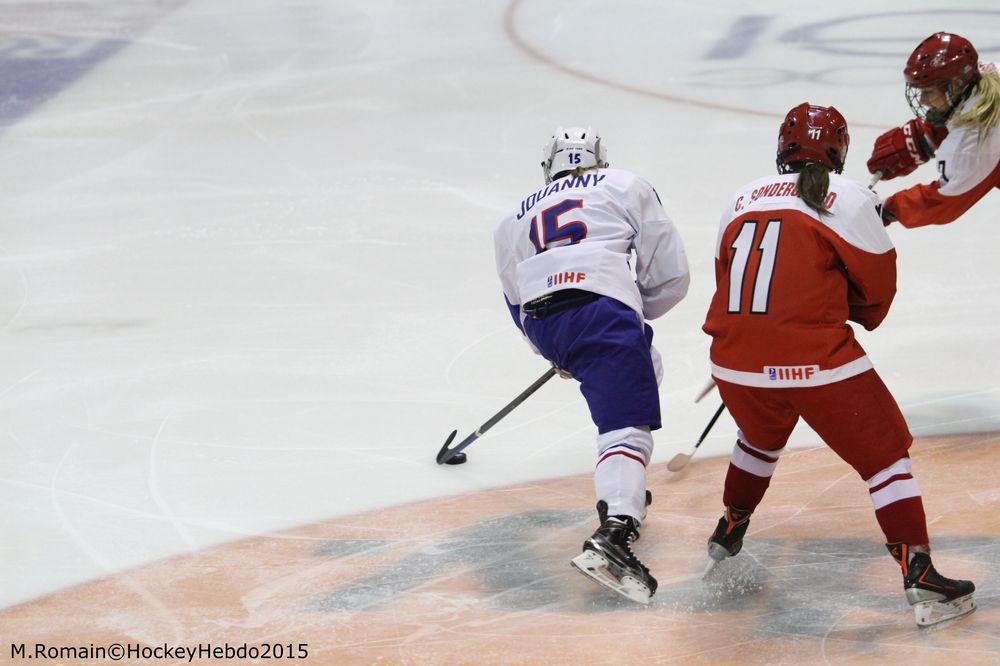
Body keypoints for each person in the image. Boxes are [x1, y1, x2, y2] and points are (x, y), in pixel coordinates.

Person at [701, 103, 975, 626]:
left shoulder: (739, 197)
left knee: (758, 438)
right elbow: (878, 287)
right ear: (839, 150)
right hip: (815, 364)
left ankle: (729, 529)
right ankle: (920, 574)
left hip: (733, 362)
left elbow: (729, 277)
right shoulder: (846, 197)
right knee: (887, 458)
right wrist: (841, 309)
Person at [493, 127, 690, 603]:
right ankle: (615, 533)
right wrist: (620, 308)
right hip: (601, 308)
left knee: (644, 364)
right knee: (627, 426)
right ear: (599, 159)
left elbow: (516, 300)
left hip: (546, 324)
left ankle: (623, 480)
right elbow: (670, 277)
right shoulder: (623, 184)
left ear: (549, 168)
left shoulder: (511, 219)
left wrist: (559, 346)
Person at [867, 32, 999, 226]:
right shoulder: (985, 74)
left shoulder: (974, 144)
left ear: (956, 84)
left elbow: (941, 203)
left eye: (928, 91)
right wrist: (924, 136)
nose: (922, 100)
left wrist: (885, 210)